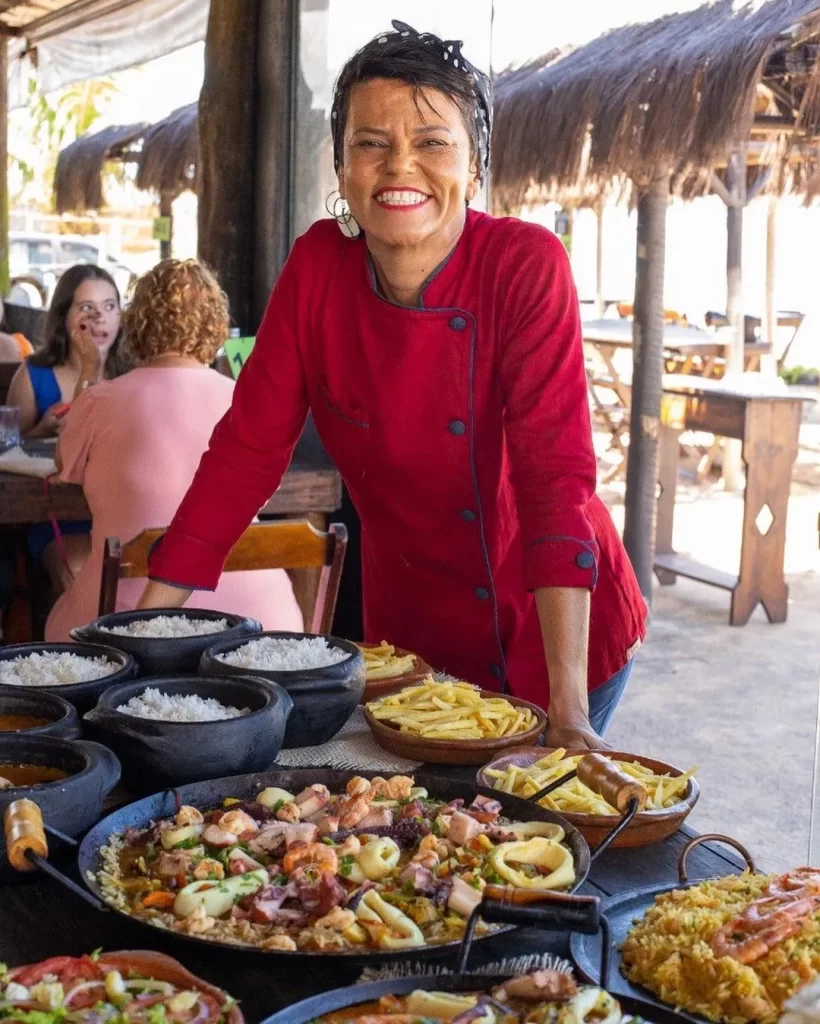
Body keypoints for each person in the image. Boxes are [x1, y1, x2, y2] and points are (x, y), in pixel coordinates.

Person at [139, 22, 647, 750]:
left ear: (474, 170)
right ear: (342, 170)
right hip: (410, 639)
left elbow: (553, 479)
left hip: (552, 628)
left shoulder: (524, 264)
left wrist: (567, 713)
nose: (399, 164)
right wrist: (144, 634)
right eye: (370, 143)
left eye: (432, 142)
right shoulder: (316, 267)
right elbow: (245, 454)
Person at [45, 259, 302, 641]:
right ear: (214, 323)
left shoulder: (100, 400)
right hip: (262, 625)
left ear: (138, 322)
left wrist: (88, 371)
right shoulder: (244, 398)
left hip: (127, 626)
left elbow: (65, 465)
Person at [6, 266, 129, 592]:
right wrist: (41, 429)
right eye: (86, 308)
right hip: (56, 517)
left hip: (124, 510)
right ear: (64, 317)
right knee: (79, 570)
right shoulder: (35, 373)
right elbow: (8, 449)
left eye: (109, 306)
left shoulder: (134, 373)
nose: (100, 317)